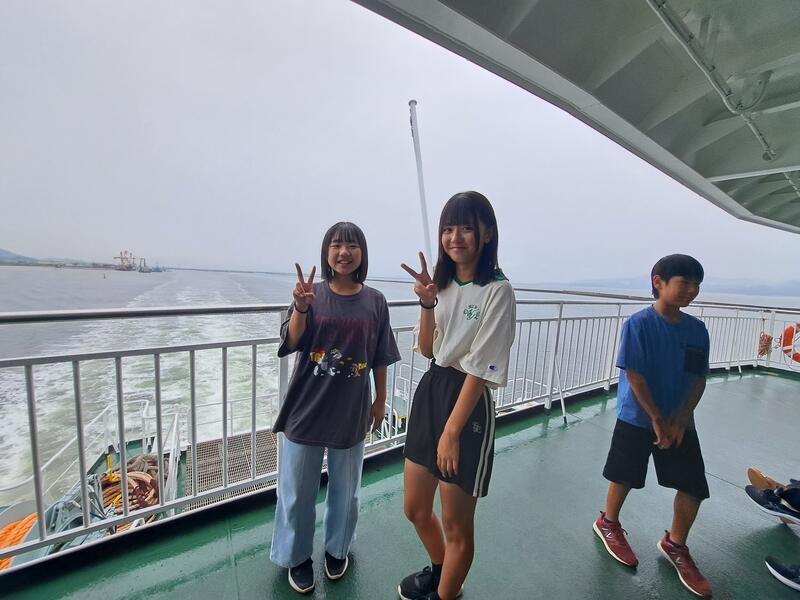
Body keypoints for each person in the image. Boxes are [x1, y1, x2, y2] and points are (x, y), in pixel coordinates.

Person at [269, 222, 401, 594]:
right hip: (306, 406)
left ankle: (337, 549)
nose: (344, 252)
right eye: (336, 245)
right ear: (327, 253)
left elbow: (380, 355)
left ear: (362, 253)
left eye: (352, 245)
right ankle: (296, 556)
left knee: (346, 490)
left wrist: (380, 400)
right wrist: (301, 307)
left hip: (350, 408)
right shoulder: (311, 294)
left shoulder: (375, 301)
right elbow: (292, 340)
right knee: (297, 491)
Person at [398, 191, 516, 600]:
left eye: (466, 227)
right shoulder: (442, 283)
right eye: (448, 228)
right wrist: (427, 303)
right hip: (433, 388)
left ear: (487, 233)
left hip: (467, 404)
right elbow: (428, 349)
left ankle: (447, 593)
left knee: (457, 525)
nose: (455, 237)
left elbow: (481, 369)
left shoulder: (497, 290)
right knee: (415, 507)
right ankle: (441, 570)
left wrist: (451, 433)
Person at [592, 254, 713, 598]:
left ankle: (675, 544)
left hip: (679, 421)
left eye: (696, 284)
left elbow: (697, 378)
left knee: (693, 486)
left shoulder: (696, 330)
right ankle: (608, 523)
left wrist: (680, 418)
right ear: (658, 282)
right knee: (624, 475)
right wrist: (657, 418)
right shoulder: (639, 324)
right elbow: (635, 374)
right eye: (684, 282)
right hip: (637, 416)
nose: (691, 290)